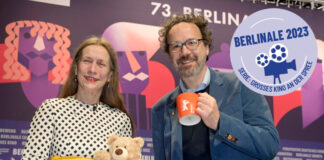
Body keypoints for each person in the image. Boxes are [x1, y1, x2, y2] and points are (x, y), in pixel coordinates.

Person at [151, 14, 280, 160]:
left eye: (192, 42)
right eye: (176, 46)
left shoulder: (241, 85)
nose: (185, 52)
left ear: (206, 48)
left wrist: (220, 122)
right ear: (169, 55)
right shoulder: (161, 109)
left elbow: (270, 145)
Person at [22, 36, 135, 160]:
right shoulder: (52, 109)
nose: (92, 69)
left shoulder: (121, 121)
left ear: (110, 76)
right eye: (87, 61)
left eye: (101, 64)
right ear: (76, 68)